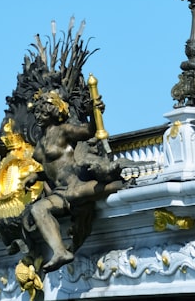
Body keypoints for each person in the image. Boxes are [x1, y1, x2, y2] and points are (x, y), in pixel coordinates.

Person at [27, 90, 124, 271]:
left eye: (43, 112)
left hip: (75, 185)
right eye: (37, 113)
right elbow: (52, 167)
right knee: (37, 209)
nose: (38, 117)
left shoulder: (63, 131)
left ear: (53, 112)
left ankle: (125, 183)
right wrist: (36, 176)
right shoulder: (40, 141)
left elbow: (89, 131)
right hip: (59, 192)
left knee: (81, 192)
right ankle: (60, 252)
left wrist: (94, 113)